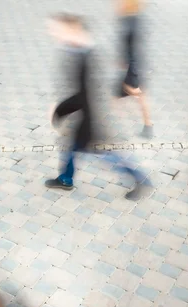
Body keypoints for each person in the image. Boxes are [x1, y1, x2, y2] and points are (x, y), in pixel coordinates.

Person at [44, 13, 150, 200]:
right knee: (70, 147)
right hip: (86, 116)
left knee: (103, 154)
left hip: (92, 119)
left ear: (73, 30)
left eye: (57, 29)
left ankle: (139, 178)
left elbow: (87, 94)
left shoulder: (87, 56)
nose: (53, 33)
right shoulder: (77, 51)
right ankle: (65, 179)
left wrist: (59, 110)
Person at [114, 0, 153, 137]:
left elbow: (132, 51)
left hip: (133, 71)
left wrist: (133, 76)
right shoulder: (135, 19)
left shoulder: (129, 24)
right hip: (138, 68)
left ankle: (118, 130)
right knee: (139, 96)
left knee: (119, 96)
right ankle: (147, 126)